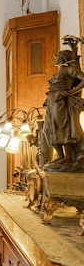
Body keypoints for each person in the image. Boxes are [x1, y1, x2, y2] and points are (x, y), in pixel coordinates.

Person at [42, 36, 84, 168]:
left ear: (64, 59)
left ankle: (67, 157)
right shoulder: (59, 71)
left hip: (61, 103)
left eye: (57, 56)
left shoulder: (69, 70)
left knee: (62, 128)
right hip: (52, 102)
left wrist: (71, 92)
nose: (55, 58)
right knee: (48, 129)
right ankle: (59, 155)